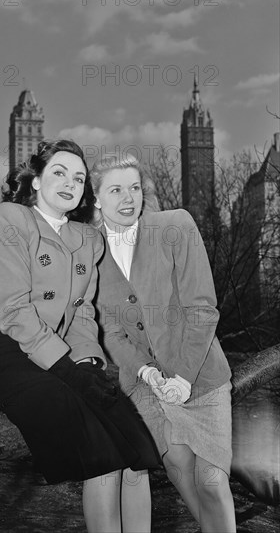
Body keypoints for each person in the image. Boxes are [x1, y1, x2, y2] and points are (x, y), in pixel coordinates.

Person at [0, 140, 159, 533]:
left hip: (66, 361)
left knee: (137, 451)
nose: (70, 183)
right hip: (12, 359)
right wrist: (68, 369)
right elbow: (13, 310)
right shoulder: (11, 219)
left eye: (78, 178)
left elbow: (81, 313)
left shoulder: (88, 239)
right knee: (103, 452)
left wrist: (89, 361)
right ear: (37, 180)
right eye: (59, 172)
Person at [90, 153, 237, 533]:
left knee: (212, 480)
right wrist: (145, 370)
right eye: (116, 189)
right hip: (144, 386)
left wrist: (183, 377)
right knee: (178, 469)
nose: (128, 198)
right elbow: (110, 331)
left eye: (135, 188)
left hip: (201, 374)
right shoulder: (88, 254)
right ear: (96, 198)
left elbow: (202, 308)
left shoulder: (175, 226)